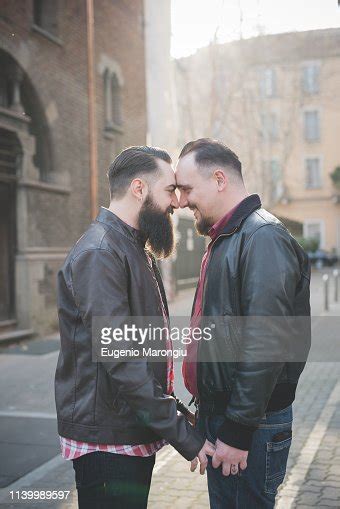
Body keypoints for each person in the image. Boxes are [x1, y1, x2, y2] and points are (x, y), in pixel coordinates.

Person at [55, 146, 214, 509]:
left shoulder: (132, 247)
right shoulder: (100, 253)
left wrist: (176, 412)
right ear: (139, 189)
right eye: (169, 190)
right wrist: (184, 437)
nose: (176, 202)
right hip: (108, 440)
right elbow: (123, 361)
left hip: (127, 427)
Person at [176, 138, 311, 508]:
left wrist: (236, 430)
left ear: (219, 179)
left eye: (187, 189)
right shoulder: (228, 237)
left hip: (251, 423)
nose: (181, 201)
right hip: (230, 415)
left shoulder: (262, 237)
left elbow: (267, 342)